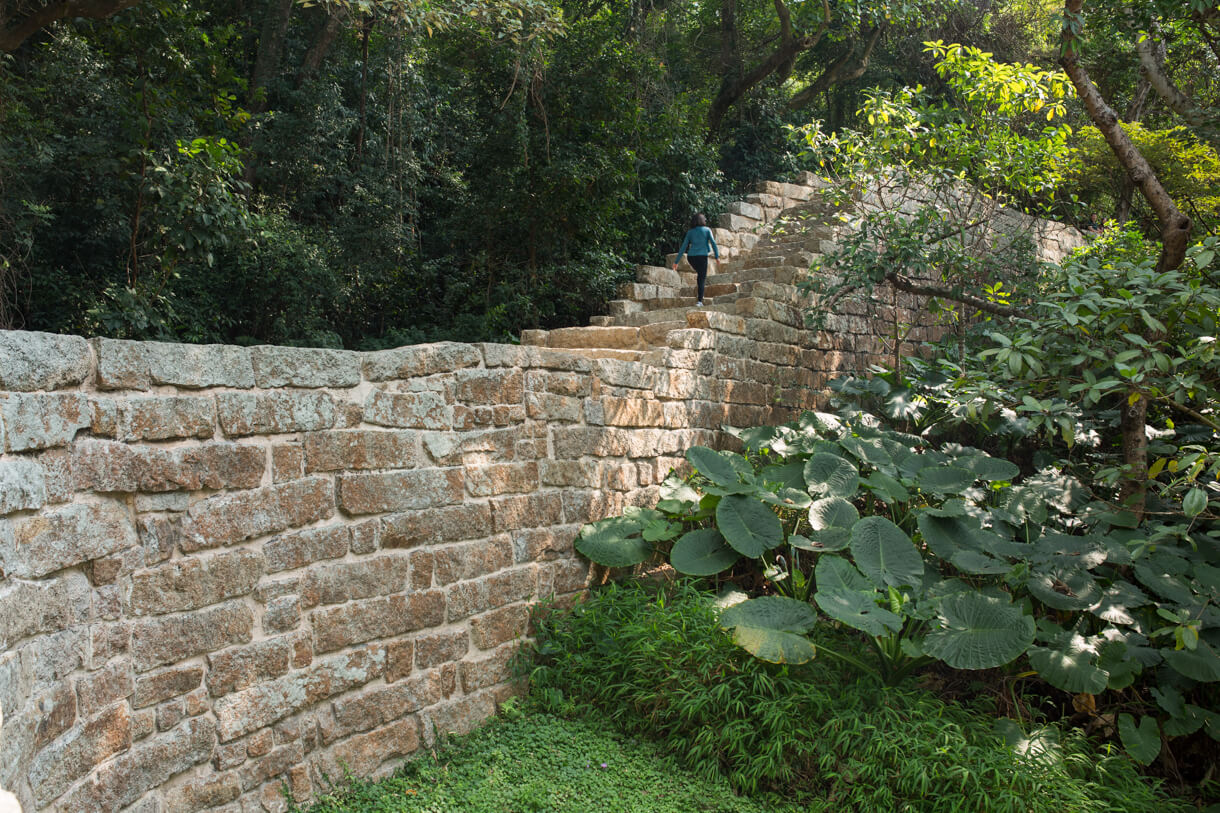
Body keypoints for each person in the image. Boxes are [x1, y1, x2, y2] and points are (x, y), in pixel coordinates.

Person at [673, 213, 719, 307]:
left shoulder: (690, 232)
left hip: (691, 257)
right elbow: (713, 243)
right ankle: (699, 301)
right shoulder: (707, 230)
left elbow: (683, 247)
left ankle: (700, 296)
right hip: (702, 256)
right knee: (701, 278)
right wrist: (717, 256)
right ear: (701, 220)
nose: (706, 220)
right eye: (704, 219)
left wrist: (676, 262)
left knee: (700, 275)